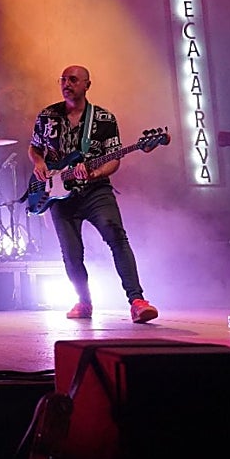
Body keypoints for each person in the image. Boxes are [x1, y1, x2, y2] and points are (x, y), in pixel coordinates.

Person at [28, 64, 158, 323]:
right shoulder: (47, 115)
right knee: (71, 253)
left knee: (116, 237)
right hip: (59, 195)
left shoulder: (104, 119)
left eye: (73, 79)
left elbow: (114, 159)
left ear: (87, 84)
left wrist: (95, 174)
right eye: (63, 79)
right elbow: (34, 148)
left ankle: (137, 301)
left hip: (95, 191)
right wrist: (39, 163)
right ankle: (83, 302)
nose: (66, 83)